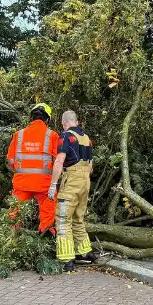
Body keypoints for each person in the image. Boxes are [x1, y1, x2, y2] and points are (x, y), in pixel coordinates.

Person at [48, 111, 94, 272]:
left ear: (63, 123)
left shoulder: (66, 136)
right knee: (78, 218)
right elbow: (91, 164)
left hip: (72, 182)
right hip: (85, 182)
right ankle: (85, 252)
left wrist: (53, 184)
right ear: (76, 121)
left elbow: (59, 161)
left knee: (63, 220)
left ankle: (67, 259)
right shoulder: (86, 138)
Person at [6, 103, 61, 235]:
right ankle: (47, 233)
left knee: (15, 213)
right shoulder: (52, 135)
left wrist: (20, 171)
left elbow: (10, 160)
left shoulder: (18, 135)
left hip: (22, 182)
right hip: (44, 184)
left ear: (31, 117)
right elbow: (58, 162)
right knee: (48, 211)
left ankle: (10, 237)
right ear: (47, 119)